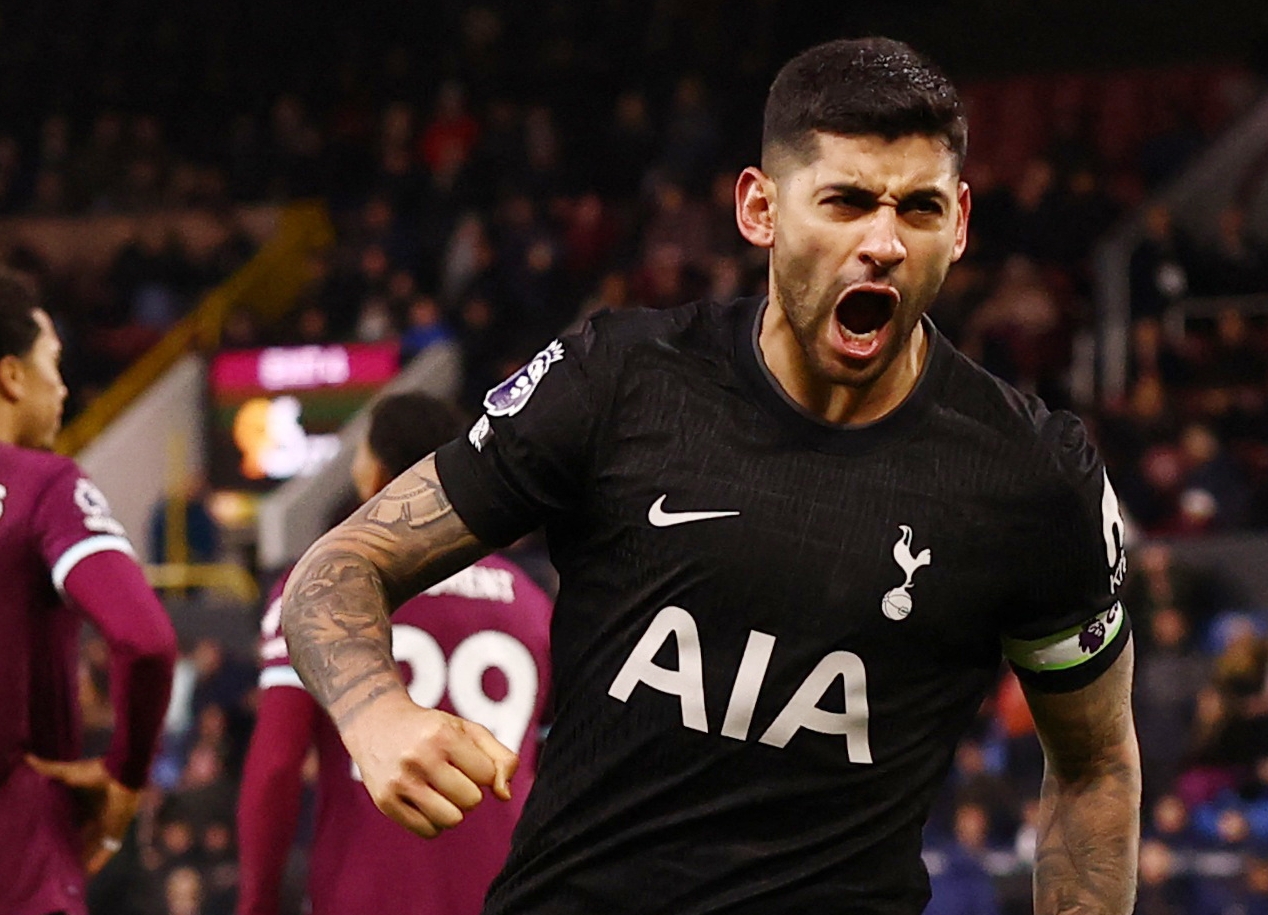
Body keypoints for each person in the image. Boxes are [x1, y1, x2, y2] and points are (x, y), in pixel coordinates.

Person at [280, 37, 1140, 915]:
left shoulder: (1035, 478)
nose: (882, 242)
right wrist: (377, 716)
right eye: (844, 202)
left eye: (917, 210)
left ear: (958, 224)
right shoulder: (620, 380)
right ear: (760, 208)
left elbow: (1096, 765)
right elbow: (336, 569)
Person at [236, 393, 554, 915]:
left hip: (367, 892)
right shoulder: (531, 602)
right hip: (508, 892)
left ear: (377, 476)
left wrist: (256, 902)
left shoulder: (323, 591)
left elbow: (276, 764)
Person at [0, 269, 178, 915]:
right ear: (12, 375)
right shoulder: (43, 485)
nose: (65, 386)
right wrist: (125, 776)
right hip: (19, 859)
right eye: (54, 363)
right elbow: (145, 639)